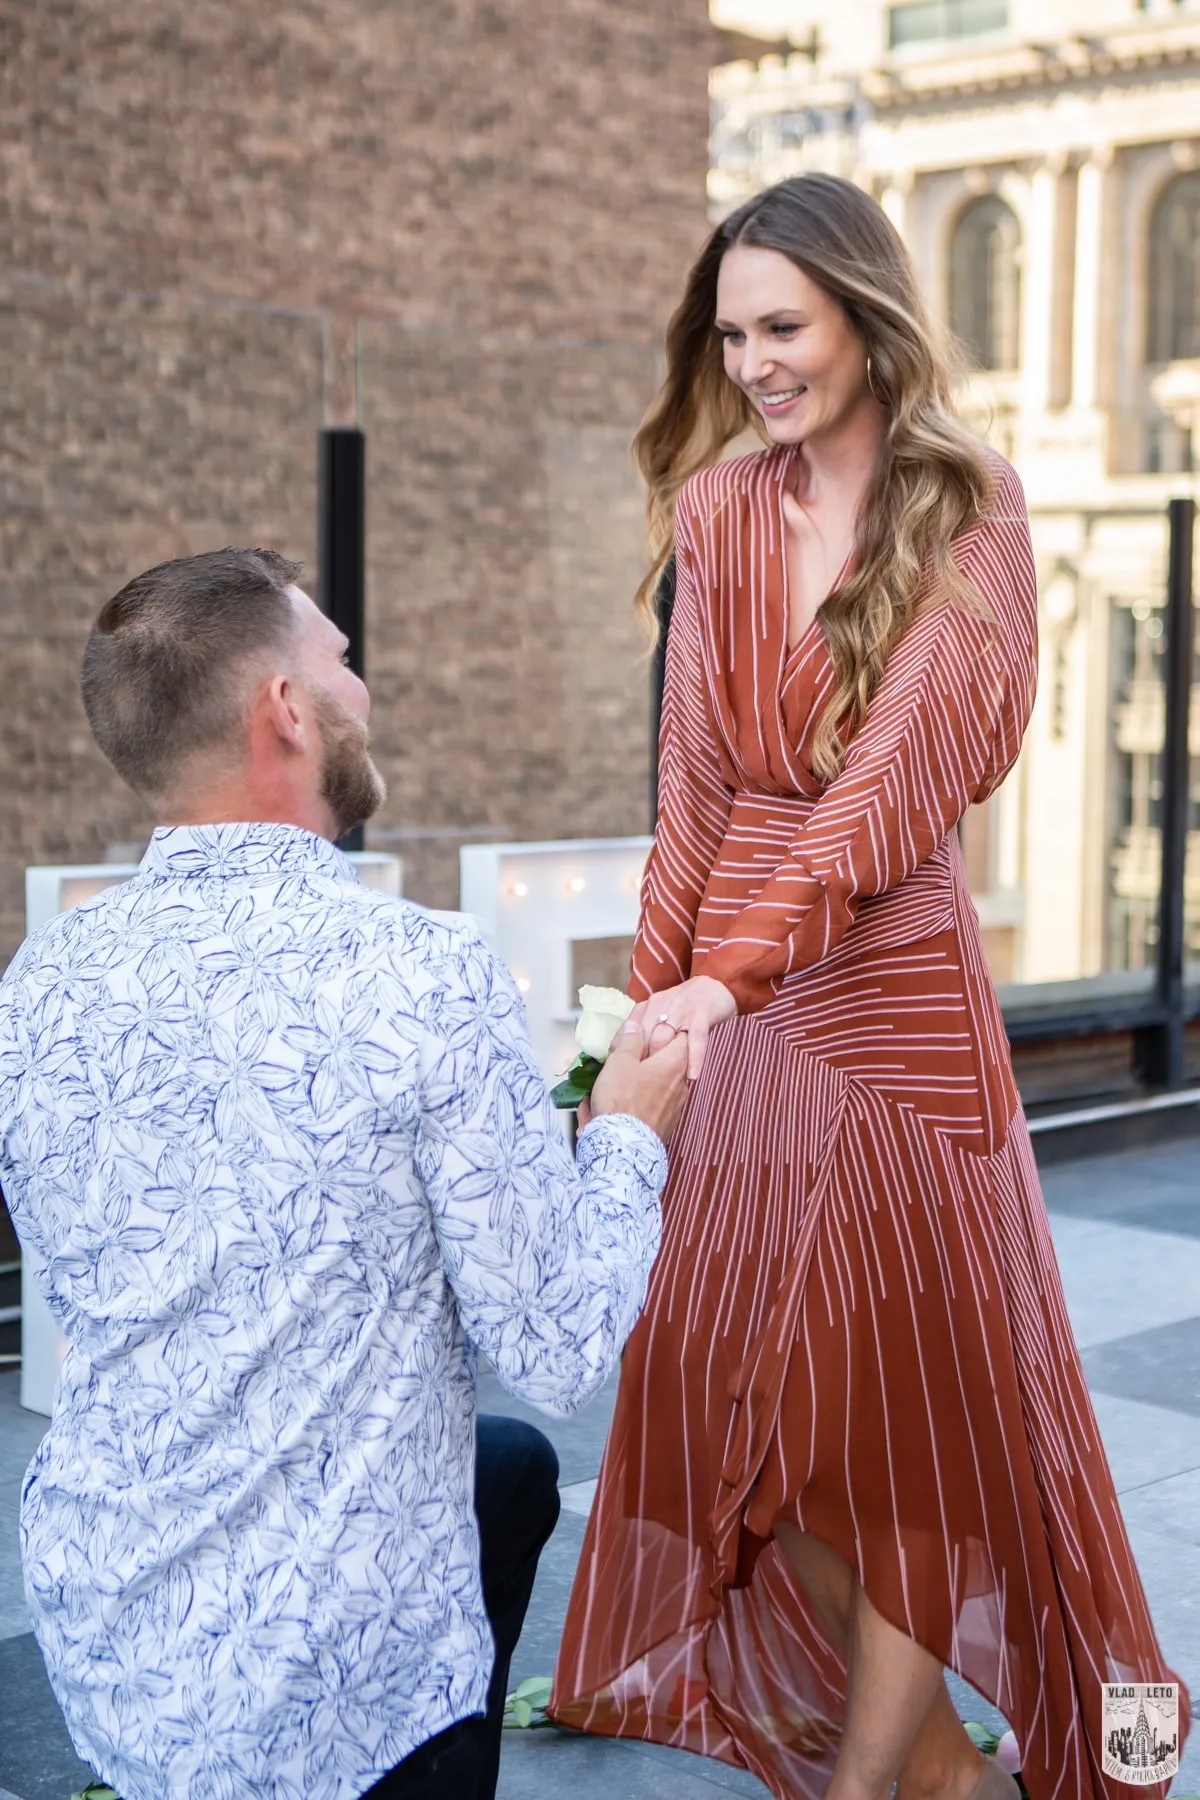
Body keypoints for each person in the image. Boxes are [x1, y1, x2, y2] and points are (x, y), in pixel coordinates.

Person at [550, 174, 1189, 1800]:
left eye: (785, 325)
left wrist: (733, 975)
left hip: (892, 1005)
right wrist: (660, 1007)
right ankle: (937, 1780)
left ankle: (866, 1783)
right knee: (743, 1414)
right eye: (733, 333)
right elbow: (693, 789)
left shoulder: (971, 499)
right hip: (738, 1023)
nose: (756, 361)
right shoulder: (716, 516)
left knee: (897, 1428)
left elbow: (894, 791)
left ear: (864, 313)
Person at [0, 548, 691, 1800]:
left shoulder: (38, 982)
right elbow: (557, 1338)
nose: (361, 690)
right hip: (329, 1680)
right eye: (341, 661)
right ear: (283, 711)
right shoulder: (423, 969)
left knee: (508, 1472)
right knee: (518, 1446)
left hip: (107, 1632)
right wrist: (632, 1128)